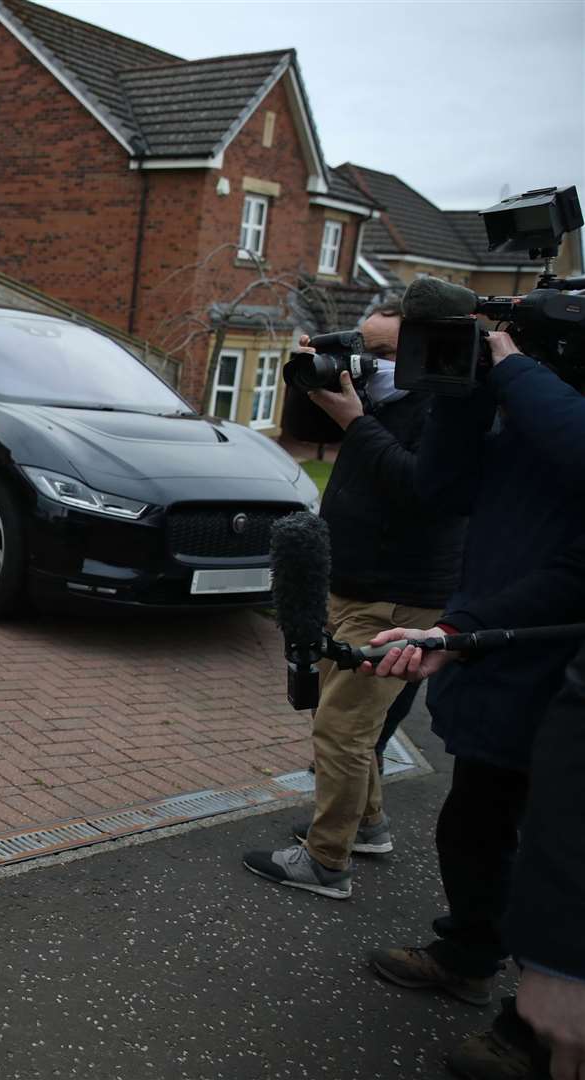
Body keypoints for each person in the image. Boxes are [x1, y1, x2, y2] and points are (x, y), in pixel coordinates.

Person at [358, 326, 585, 1022]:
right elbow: (441, 487)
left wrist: (514, 370)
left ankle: (538, 1018)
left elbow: (572, 575)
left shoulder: (556, 417)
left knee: (558, 851)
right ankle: (469, 956)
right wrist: (458, 391)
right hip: (496, 656)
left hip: (556, 674)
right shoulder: (526, 426)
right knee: (473, 826)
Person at [243, 306, 465, 899]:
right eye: (358, 346)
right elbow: (308, 431)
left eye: (380, 351)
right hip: (350, 582)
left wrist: (359, 421)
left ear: (420, 357)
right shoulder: (377, 397)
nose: (367, 361)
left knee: (341, 730)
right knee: (343, 720)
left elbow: (424, 494)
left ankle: (326, 861)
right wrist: (310, 375)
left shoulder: (445, 409)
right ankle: (366, 826)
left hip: (397, 600)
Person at [366, 536, 585, 1080]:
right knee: (473, 823)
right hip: (519, 681)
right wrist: (456, 632)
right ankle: (470, 957)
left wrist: (566, 959)